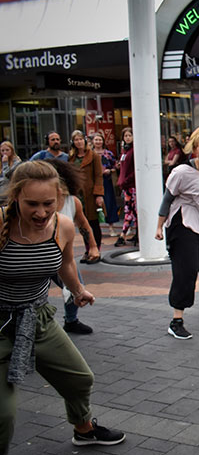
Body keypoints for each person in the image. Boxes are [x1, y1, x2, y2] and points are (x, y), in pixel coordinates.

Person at [0, 161, 125, 455]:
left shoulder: (63, 226)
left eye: (48, 204)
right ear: (15, 198)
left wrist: (78, 290)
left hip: (38, 319)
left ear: (59, 198)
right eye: (31, 204)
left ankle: (84, 429)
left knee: (80, 379)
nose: (41, 213)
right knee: (3, 416)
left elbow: (66, 263)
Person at [156, 127, 199, 340]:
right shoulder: (181, 172)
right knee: (187, 269)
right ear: (194, 151)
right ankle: (176, 320)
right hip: (183, 223)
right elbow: (167, 199)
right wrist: (159, 226)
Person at [42, 158, 98, 334]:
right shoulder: (36, 202)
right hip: (36, 256)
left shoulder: (72, 202)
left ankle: (71, 321)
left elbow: (83, 225)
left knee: (75, 286)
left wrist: (94, 247)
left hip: (61, 257)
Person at [68, 130, 104, 263]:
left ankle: (96, 249)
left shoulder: (93, 156)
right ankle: (88, 248)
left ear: (85, 140)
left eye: (80, 139)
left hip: (90, 194)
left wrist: (99, 194)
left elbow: (98, 176)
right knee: (82, 224)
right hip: (78, 194)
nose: (78, 142)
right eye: (76, 140)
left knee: (93, 223)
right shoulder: (71, 157)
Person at [92, 133, 119, 237]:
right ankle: (96, 229)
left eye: (100, 140)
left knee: (109, 203)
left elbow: (115, 166)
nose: (98, 142)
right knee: (95, 204)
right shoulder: (90, 153)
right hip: (94, 182)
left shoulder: (108, 154)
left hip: (106, 181)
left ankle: (111, 227)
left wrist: (109, 170)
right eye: (96, 140)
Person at [114, 128, 137, 247]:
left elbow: (134, 169)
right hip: (125, 185)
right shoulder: (124, 151)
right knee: (132, 210)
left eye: (130, 135)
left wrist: (126, 180)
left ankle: (123, 235)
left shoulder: (134, 151)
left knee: (130, 210)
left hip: (131, 185)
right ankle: (135, 234)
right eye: (125, 135)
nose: (127, 137)